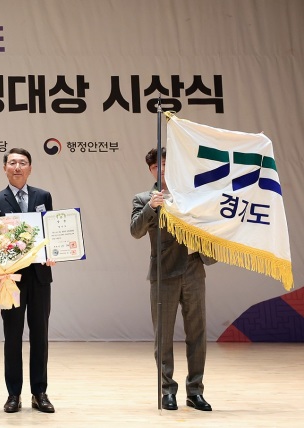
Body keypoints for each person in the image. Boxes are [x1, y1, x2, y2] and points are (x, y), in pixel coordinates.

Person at [130, 147, 215, 412]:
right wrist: (151, 207)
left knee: (197, 333)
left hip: (193, 268)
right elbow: (135, 231)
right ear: (150, 171)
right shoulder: (144, 198)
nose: (162, 170)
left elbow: (210, 225)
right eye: (156, 166)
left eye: (166, 164)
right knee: (163, 337)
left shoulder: (192, 195)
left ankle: (195, 391)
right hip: (164, 272)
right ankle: (167, 390)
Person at [0, 148, 56, 414]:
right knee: (12, 337)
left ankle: (40, 392)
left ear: (30, 168)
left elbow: (50, 232)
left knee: (40, 336)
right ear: (5, 168)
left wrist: (54, 252)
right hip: (11, 279)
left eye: (22, 163)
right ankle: (13, 394)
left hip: (40, 276)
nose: (17, 167)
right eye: (12, 163)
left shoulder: (43, 196)